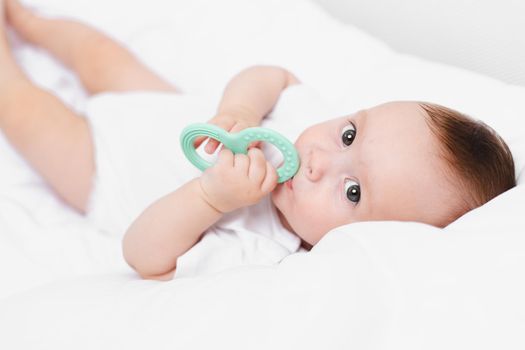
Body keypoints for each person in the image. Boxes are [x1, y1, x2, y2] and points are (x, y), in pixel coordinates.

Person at [0, 0, 516, 280]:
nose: (317, 161)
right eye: (350, 134)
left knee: (19, 106)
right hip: (163, 107)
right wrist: (240, 109)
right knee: (96, 51)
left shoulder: (263, 249)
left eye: (352, 191)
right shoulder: (310, 127)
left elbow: (141, 254)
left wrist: (209, 198)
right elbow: (274, 75)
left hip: (103, 170)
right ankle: (27, 19)